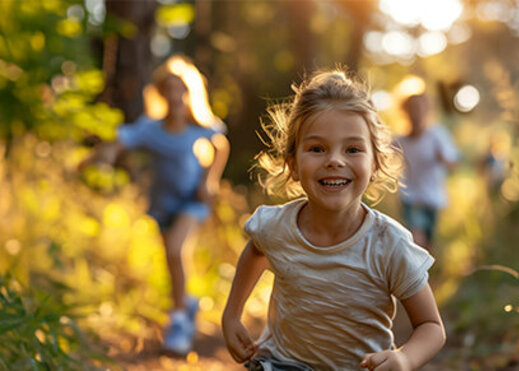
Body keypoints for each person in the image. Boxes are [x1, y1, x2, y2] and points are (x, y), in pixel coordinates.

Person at [222, 70, 445, 370]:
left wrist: (404, 358)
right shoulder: (276, 227)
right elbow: (256, 252)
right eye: (317, 149)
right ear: (293, 164)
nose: (334, 160)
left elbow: (431, 326)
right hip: (283, 363)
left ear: (376, 164)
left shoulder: (389, 244)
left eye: (352, 149)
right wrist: (232, 314)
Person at [79, 55, 230, 355]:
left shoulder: (199, 126)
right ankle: (186, 305)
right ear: (161, 94)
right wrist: (93, 159)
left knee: (176, 250)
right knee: (173, 262)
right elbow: (118, 142)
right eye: (169, 89)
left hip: (192, 203)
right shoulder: (151, 129)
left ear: (189, 92)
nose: (175, 96)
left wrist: (208, 181)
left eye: (181, 89)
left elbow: (220, 146)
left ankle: (179, 326)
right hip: (163, 207)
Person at [395, 92, 459, 251]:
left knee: (427, 246)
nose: (415, 113)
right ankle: (411, 274)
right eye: (411, 109)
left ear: (427, 111)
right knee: (417, 240)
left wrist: (443, 159)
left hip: (433, 198)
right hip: (410, 197)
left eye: (419, 109)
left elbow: (454, 165)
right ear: (405, 112)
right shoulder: (400, 141)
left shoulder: (437, 135)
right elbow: (378, 154)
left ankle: (423, 275)